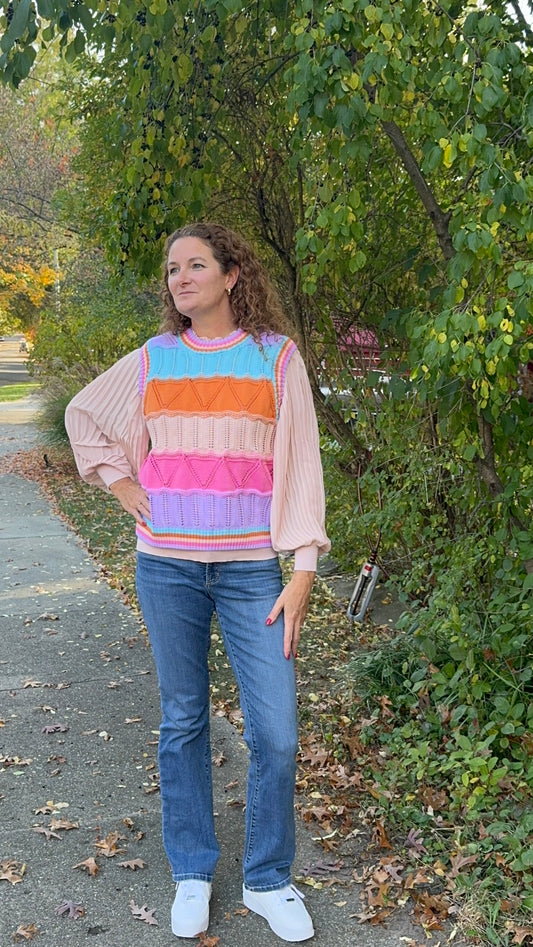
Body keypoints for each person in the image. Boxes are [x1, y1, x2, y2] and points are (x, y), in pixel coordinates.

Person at [65, 222, 330, 942]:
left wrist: (303, 568)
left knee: (275, 731)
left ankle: (267, 879)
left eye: (194, 265)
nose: (179, 278)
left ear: (231, 274)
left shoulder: (276, 357)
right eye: (171, 269)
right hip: (167, 566)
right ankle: (192, 870)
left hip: (251, 572)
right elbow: (84, 413)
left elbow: (302, 462)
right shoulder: (154, 358)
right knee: (183, 718)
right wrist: (120, 483)